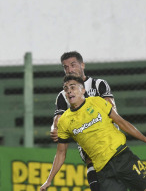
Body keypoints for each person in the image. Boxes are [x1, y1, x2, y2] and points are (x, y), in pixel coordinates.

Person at [41, 75, 146, 191]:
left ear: (83, 90)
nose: (69, 91)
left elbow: (121, 123)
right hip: (103, 171)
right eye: (66, 89)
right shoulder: (64, 121)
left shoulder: (97, 102)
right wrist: (49, 180)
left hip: (123, 157)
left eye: (72, 87)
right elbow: (61, 153)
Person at [50, 51, 116, 191]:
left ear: (82, 65)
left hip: (110, 138)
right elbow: (57, 120)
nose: (69, 69)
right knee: (90, 157)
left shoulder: (98, 84)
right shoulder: (63, 95)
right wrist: (54, 128)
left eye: (73, 65)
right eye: (65, 67)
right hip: (87, 141)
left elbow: (111, 109)